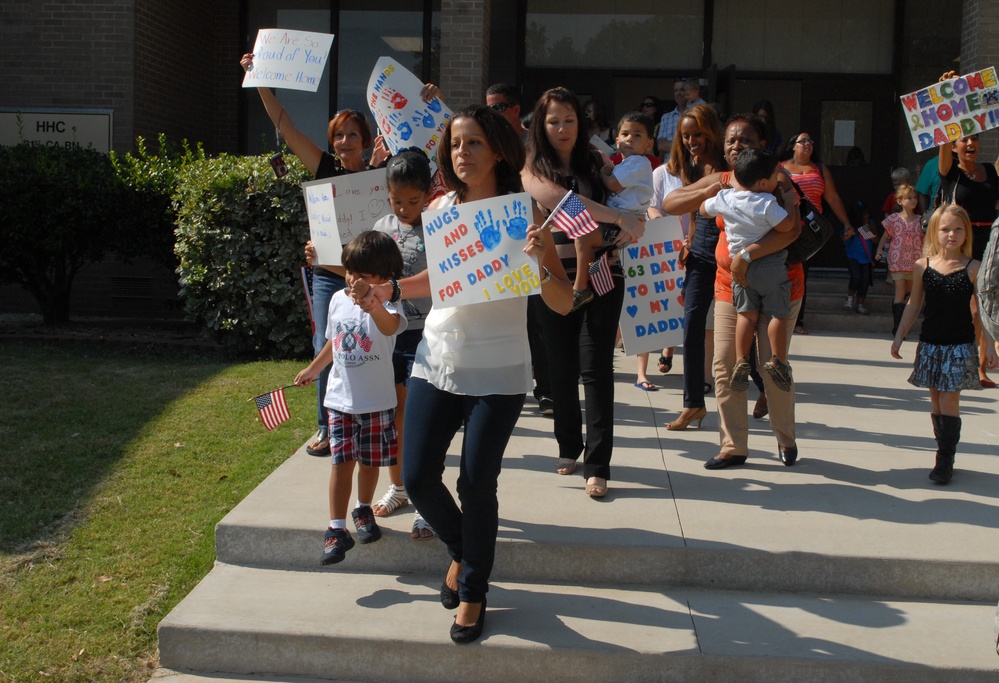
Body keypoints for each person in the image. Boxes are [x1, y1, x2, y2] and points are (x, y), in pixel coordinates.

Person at [366, 105, 574, 643]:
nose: (462, 153)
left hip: (499, 369)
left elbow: (562, 300)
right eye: (456, 144)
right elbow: (438, 278)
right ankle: (462, 550)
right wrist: (385, 290)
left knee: (477, 482)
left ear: (498, 150)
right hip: (437, 360)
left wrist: (539, 262)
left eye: (474, 143)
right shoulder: (440, 209)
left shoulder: (524, 212)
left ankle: (475, 591)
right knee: (416, 477)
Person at [240, 52, 398, 459]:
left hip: (372, 277)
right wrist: (258, 79)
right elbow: (284, 125)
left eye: (352, 135)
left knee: (375, 343)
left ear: (365, 140)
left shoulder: (380, 176)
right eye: (338, 136)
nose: (345, 142)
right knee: (326, 345)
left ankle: (372, 418)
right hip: (329, 275)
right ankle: (327, 426)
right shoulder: (323, 168)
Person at [522, 87, 645, 498]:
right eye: (554, 121)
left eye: (570, 120)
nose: (562, 128)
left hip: (602, 273)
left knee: (596, 369)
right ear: (541, 125)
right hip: (552, 279)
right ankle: (567, 445)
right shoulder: (530, 168)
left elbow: (628, 195)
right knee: (559, 368)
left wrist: (630, 224)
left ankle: (598, 463)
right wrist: (619, 217)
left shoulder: (597, 161)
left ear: (582, 124)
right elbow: (560, 202)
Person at [664, 113, 803, 469]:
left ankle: (785, 439)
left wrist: (747, 255)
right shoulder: (723, 180)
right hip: (730, 286)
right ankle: (733, 445)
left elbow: (791, 230)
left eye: (745, 140)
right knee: (725, 364)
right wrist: (707, 191)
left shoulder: (773, 178)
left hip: (777, 286)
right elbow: (670, 203)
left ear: (761, 146)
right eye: (730, 141)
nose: (736, 146)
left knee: (772, 365)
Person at [292, 231, 407, 565]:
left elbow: (388, 328)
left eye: (362, 275)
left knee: (370, 463)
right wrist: (314, 368)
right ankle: (336, 528)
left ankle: (363, 509)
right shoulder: (337, 299)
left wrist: (371, 302)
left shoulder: (390, 302)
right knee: (341, 463)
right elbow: (333, 340)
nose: (353, 280)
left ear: (385, 278)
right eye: (349, 272)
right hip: (341, 401)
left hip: (377, 402)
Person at [891, 204, 997, 484]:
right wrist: (900, 334)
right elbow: (914, 304)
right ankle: (942, 448)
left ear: (967, 233)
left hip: (959, 346)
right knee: (936, 401)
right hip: (930, 344)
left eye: (958, 229)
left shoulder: (973, 268)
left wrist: (991, 343)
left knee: (950, 400)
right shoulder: (922, 266)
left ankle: (945, 459)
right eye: (945, 229)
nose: (952, 234)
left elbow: (981, 310)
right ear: (934, 232)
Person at [363, 148, 436, 541]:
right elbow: (363, 270)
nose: (405, 208)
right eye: (396, 201)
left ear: (428, 193)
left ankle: (425, 501)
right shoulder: (382, 225)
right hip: (387, 333)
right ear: (386, 194)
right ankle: (400, 488)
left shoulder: (441, 227)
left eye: (413, 201)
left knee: (419, 420)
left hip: (425, 333)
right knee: (393, 416)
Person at [701, 148, 799, 393]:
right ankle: (777, 360)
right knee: (777, 314)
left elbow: (703, 210)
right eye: (777, 174)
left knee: (746, 315)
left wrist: (710, 193)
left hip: (739, 271)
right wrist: (790, 203)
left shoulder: (727, 199)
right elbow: (787, 227)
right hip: (769, 265)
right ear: (764, 182)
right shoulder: (766, 202)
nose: (779, 178)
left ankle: (742, 359)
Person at [660, 104, 727, 431]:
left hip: (731, 252)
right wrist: (688, 242)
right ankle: (693, 404)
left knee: (742, 332)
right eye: (685, 135)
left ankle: (763, 390)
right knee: (690, 327)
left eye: (698, 134)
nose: (691, 141)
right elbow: (691, 210)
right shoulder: (690, 164)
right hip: (700, 254)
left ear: (712, 130)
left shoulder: (729, 161)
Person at [486, 82, 552, 415]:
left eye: (497, 108)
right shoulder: (486, 142)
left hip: (531, 233)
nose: (491, 115)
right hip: (494, 241)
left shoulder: (534, 143)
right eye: (487, 109)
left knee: (538, 317)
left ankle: (547, 388)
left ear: (514, 110)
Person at [935, 80, 999, 388]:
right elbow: (943, 140)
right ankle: (964, 363)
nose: (970, 142)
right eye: (964, 139)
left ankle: (980, 368)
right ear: (955, 145)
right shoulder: (951, 172)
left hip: (990, 244)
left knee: (983, 307)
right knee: (969, 309)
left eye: (974, 137)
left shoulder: (991, 169)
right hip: (961, 244)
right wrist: (947, 95)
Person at [575, 111, 656, 315]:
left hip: (620, 220)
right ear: (617, 138)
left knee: (583, 238)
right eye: (626, 134)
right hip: (620, 220)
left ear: (649, 144)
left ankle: (580, 287)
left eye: (638, 135)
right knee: (594, 250)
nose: (630, 139)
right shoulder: (628, 163)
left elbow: (612, 184)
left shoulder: (638, 163)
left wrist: (603, 173)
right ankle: (590, 280)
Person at [781, 130, 854, 335]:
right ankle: (778, 314)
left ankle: (797, 320)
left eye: (810, 141)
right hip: (784, 225)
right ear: (793, 145)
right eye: (802, 140)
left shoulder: (820, 169)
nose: (807, 144)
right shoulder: (780, 167)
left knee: (801, 273)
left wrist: (847, 223)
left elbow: (832, 198)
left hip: (810, 231)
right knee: (780, 270)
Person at [876, 183, 923, 335]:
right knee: (900, 292)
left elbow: (926, 240)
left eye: (915, 198)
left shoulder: (921, 220)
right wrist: (879, 249)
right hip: (897, 259)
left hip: (915, 260)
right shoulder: (893, 219)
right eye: (909, 198)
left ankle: (904, 323)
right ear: (900, 201)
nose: (913, 200)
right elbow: (885, 235)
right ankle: (898, 328)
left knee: (911, 291)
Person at [843, 201, 876, 315]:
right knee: (856, 276)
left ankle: (860, 305)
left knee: (865, 280)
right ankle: (850, 298)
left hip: (866, 257)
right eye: (864, 214)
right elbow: (842, 239)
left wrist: (868, 230)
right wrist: (848, 235)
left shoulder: (869, 224)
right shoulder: (850, 225)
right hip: (852, 256)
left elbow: (875, 240)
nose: (866, 216)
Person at [657, 79, 687, 161]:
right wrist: (686, 147)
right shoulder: (666, 117)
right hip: (669, 167)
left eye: (682, 90)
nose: (678, 93)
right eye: (676, 90)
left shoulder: (696, 115)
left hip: (691, 167)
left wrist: (670, 145)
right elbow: (661, 145)